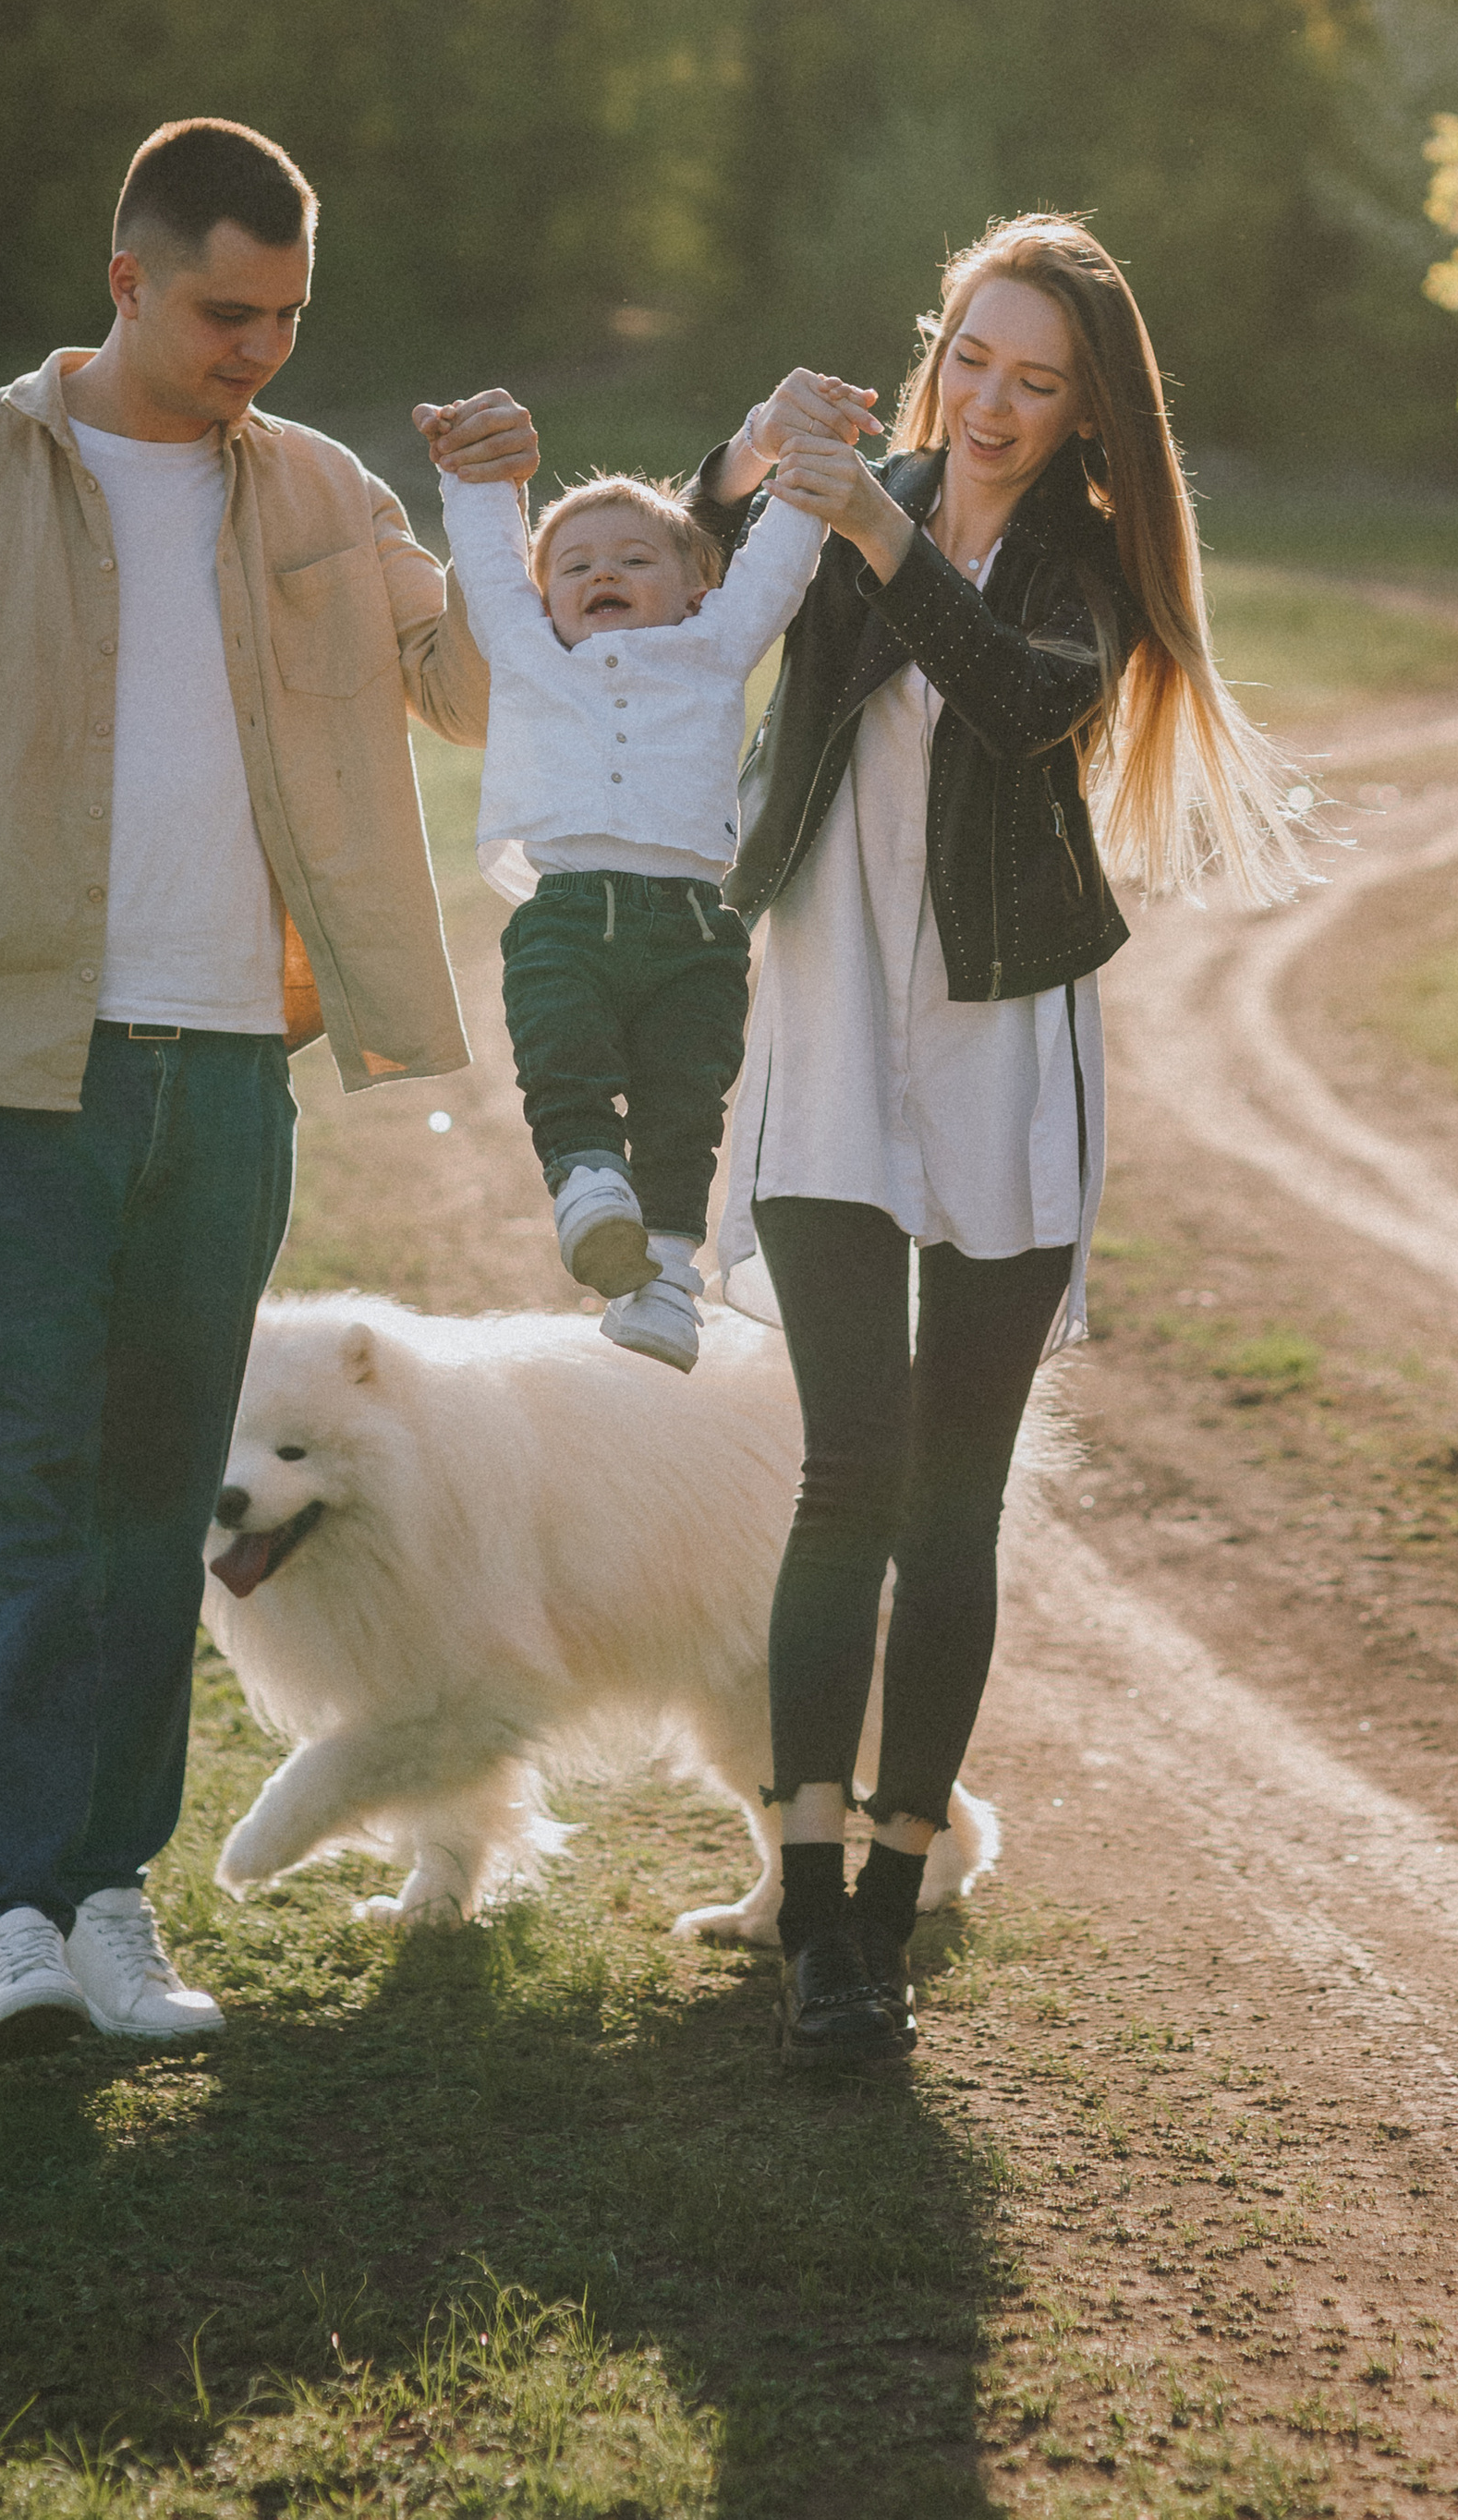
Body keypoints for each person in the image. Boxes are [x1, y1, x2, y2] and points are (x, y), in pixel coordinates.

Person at [0, 118, 535, 2059]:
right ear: (124, 280)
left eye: (284, 316)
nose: (254, 349)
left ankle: (108, 1900)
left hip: (222, 1086)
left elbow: (480, 704)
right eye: (220, 311)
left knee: (142, 1517)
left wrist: (495, 520)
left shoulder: (326, 492)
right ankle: (6, 1917)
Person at [690, 212, 1306, 2076]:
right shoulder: (841, 499)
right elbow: (669, 581)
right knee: (841, 1475)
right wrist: (734, 468)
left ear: (1085, 415)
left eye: (1036, 384)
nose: (989, 406)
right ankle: (805, 1901)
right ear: (936, 341)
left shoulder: (1078, 568)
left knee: (948, 1499)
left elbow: (1027, 702)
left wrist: (880, 535)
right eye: (972, 358)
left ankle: (886, 1902)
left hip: (996, 1057)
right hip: (824, 1032)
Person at [418, 451, 821, 1371]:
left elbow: (777, 569)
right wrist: (472, 476)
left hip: (692, 929)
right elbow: (486, 566)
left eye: (636, 559)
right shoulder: (526, 651)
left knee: (685, 1099)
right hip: (563, 914)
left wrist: (811, 469)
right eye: (575, 563)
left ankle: (668, 1283)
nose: (603, 572)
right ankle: (590, 1180)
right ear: (544, 595)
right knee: (565, 1057)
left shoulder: (717, 645)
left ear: (693, 589)